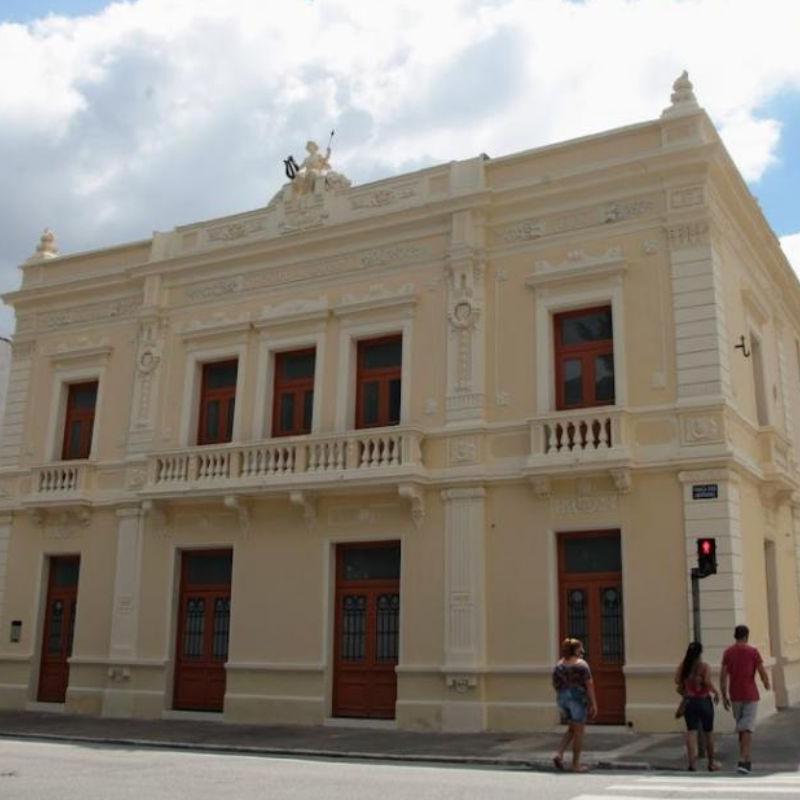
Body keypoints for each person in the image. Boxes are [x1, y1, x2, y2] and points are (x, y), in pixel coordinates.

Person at [720, 624, 771, 774]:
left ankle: (746, 759)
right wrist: (766, 682)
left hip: (735, 695)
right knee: (747, 727)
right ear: (746, 636)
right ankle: (743, 760)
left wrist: (724, 696)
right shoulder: (753, 652)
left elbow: (723, 676)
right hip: (750, 694)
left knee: (742, 727)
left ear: (735, 636)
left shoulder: (728, 652)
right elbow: (761, 671)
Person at [552, 637, 597, 773]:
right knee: (579, 732)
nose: (582, 651)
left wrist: (563, 696)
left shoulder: (559, 665)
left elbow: (555, 684)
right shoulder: (582, 665)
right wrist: (593, 703)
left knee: (572, 728)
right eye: (580, 648)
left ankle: (558, 754)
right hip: (577, 699)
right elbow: (589, 685)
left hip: (562, 698)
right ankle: (575, 764)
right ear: (576, 650)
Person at [674, 641, 721, 771]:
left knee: (691, 732)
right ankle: (711, 763)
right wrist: (716, 692)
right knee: (709, 733)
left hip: (690, 702)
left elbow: (677, 680)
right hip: (704, 701)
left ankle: (692, 764)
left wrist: (687, 687)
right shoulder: (704, 666)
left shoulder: (684, 666)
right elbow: (706, 681)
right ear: (700, 653)